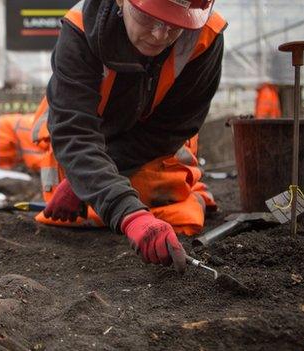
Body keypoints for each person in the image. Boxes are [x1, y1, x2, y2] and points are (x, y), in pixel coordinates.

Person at [32, 0, 226, 273]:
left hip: (151, 146)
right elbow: (75, 131)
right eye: (149, 18)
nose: (160, 35)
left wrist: (99, 189)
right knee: (69, 196)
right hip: (89, 135)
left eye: (175, 24)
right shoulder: (79, 29)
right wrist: (127, 211)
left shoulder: (205, 37)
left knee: (179, 210)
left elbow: (170, 130)